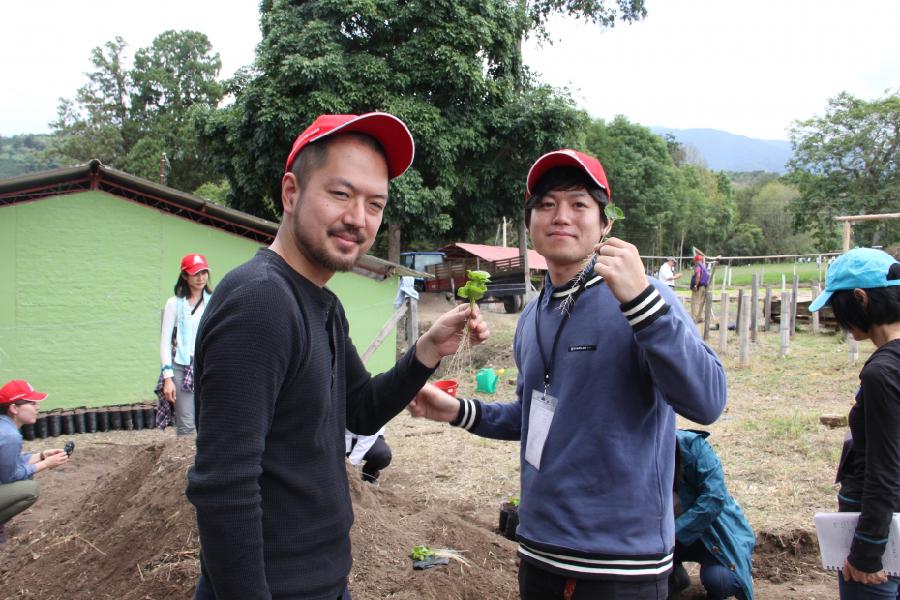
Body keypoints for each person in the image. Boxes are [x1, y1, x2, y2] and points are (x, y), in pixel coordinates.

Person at [186, 112, 489, 600]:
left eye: (375, 204)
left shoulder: (321, 303)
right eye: (341, 194)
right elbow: (224, 486)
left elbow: (361, 409)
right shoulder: (261, 302)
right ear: (291, 193)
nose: (358, 218)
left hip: (322, 581)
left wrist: (428, 348)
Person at [409, 148, 726, 600]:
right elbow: (535, 415)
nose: (561, 216)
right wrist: (458, 411)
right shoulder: (533, 314)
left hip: (621, 564)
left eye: (579, 204)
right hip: (539, 552)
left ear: (605, 224)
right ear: (529, 224)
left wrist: (641, 303)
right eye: (546, 204)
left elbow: (707, 402)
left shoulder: (647, 297)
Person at [808, 247, 900, 599]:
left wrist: (867, 550)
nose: (839, 317)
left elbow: (884, 469)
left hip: (881, 538)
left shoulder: (882, 373)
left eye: (838, 305)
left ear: (860, 299)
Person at [668, 430, 755, 600]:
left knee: (720, 581)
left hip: (714, 533)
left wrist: (671, 533)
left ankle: (737, 573)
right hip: (667, 535)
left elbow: (714, 498)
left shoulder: (693, 446)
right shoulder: (640, 449)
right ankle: (675, 577)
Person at [0, 379, 69, 545]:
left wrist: (42, 455)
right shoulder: (10, 436)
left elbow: (10, 461)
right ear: (14, 408)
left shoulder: (4, 427)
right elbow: (9, 477)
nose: (37, 407)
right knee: (30, 489)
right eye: (32, 403)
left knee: (26, 476)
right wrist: (46, 464)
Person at [159, 253, 212, 436]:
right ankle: (186, 456)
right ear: (184, 275)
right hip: (183, 367)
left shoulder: (215, 301)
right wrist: (168, 378)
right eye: (195, 273)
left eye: (204, 272)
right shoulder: (174, 304)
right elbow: (165, 341)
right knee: (186, 426)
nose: (201, 278)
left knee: (209, 420)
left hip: (208, 366)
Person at [690, 254, 710, 322]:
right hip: (704, 286)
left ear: (696, 260)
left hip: (699, 287)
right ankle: (699, 317)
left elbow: (698, 276)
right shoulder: (704, 267)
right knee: (701, 302)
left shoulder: (698, 267)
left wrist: (695, 285)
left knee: (695, 302)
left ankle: (695, 318)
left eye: (695, 260)